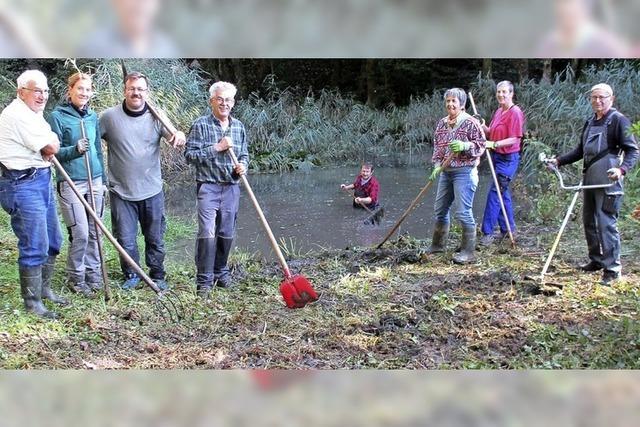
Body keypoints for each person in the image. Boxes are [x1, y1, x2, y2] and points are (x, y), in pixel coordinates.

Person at [100, 71, 186, 290]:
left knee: (155, 238)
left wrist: (179, 135)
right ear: (125, 90)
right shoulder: (109, 117)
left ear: (147, 92)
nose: (136, 92)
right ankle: (132, 275)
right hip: (121, 191)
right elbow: (91, 142)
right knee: (126, 239)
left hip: (152, 190)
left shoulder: (157, 116)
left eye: (140, 89)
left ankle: (157, 275)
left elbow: (175, 137)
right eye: (132, 88)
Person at [548, 83, 638, 285]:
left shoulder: (618, 121)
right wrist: (559, 161)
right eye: (594, 97)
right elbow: (580, 151)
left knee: (606, 224)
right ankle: (596, 260)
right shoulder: (590, 121)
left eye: (602, 97)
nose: (597, 101)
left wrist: (621, 170)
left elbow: (633, 150)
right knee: (589, 221)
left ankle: (612, 269)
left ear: (611, 99)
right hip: (589, 180)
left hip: (608, 181)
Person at [0, 70, 66, 319]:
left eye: (46, 90)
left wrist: (50, 142)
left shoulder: (33, 114)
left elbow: (51, 143)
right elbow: (50, 146)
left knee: (53, 241)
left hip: (40, 178)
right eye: (36, 90)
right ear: (21, 92)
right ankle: (32, 303)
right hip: (21, 183)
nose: (43, 96)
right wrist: (50, 144)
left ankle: (45, 290)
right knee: (34, 244)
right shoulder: (16, 115)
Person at [184, 81, 249, 298]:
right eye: (219, 99)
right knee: (207, 232)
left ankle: (221, 272)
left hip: (231, 187)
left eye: (228, 100)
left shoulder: (238, 126)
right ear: (212, 101)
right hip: (208, 187)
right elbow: (190, 156)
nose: (224, 103)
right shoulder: (200, 125)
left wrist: (243, 166)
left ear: (233, 102)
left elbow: (245, 155)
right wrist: (216, 148)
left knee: (226, 232)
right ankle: (204, 279)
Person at [48, 72, 105, 298]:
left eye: (88, 89)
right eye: (80, 88)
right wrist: (74, 150)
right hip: (71, 183)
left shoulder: (92, 116)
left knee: (95, 231)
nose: (84, 93)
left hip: (96, 180)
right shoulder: (57, 116)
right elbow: (52, 153)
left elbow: (98, 150)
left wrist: (105, 181)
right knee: (80, 232)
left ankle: (94, 275)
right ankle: (77, 277)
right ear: (70, 90)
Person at [428, 88, 486, 264]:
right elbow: (438, 148)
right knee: (440, 210)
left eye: (454, 101)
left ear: (462, 104)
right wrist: (437, 166)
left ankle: (468, 252)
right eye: (448, 101)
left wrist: (465, 146)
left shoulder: (470, 123)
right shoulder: (442, 124)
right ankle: (438, 246)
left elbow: (482, 145)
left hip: (465, 172)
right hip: (446, 173)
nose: (450, 104)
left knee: (463, 212)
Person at [478, 81, 526, 246]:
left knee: (495, 193)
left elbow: (515, 138)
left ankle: (487, 233)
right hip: (497, 157)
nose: (501, 95)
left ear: (511, 93)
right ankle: (508, 230)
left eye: (504, 92)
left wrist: (494, 144)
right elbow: (492, 132)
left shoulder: (515, 112)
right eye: (499, 92)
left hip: (508, 159)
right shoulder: (499, 111)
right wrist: (483, 127)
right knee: (502, 194)